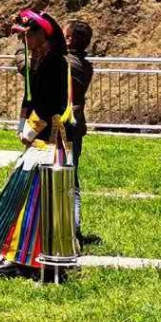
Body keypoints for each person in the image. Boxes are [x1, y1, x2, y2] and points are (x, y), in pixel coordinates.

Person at [0, 10, 74, 273]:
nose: (25, 40)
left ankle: (25, 255)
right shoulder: (41, 61)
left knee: (33, 201)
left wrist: (30, 130)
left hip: (49, 143)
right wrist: (23, 124)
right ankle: (21, 253)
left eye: (28, 35)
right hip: (41, 141)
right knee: (25, 197)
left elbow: (48, 103)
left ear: (42, 35)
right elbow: (31, 97)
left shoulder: (54, 63)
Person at [65, 20, 94, 240]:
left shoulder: (67, 63)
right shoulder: (84, 64)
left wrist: (24, 46)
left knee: (67, 178)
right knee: (71, 176)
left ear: (69, 39)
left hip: (66, 125)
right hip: (76, 125)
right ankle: (73, 229)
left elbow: (26, 66)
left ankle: (71, 229)